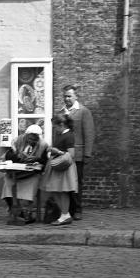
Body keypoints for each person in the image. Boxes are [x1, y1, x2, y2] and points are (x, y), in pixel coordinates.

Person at [0, 124, 49, 224]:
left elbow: (45, 162)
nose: (31, 142)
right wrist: (18, 156)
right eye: (30, 139)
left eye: (34, 140)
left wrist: (37, 159)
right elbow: (9, 156)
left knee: (33, 182)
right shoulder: (17, 141)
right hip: (17, 172)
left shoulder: (43, 145)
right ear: (26, 135)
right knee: (8, 183)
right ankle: (17, 211)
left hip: (32, 174)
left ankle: (27, 212)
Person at [60, 85, 95, 220]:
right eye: (65, 96)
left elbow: (89, 133)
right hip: (64, 154)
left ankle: (77, 209)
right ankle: (67, 209)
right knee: (66, 182)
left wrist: (87, 153)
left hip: (78, 154)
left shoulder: (83, 112)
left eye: (69, 96)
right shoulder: (61, 112)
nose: (66, 98)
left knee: (77, 182)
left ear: (76, 96)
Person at [41, 114, 78, 226]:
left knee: (63, 191)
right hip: (57, 166)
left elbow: (71, 154)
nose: (54, 129)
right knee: (56, 190)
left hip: (63, 166)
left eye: (55, 127)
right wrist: (52, 150)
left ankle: (65, 215)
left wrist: (57, 151)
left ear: (61, 124)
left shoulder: (69, 135)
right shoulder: (60, 134)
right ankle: (64, 214)